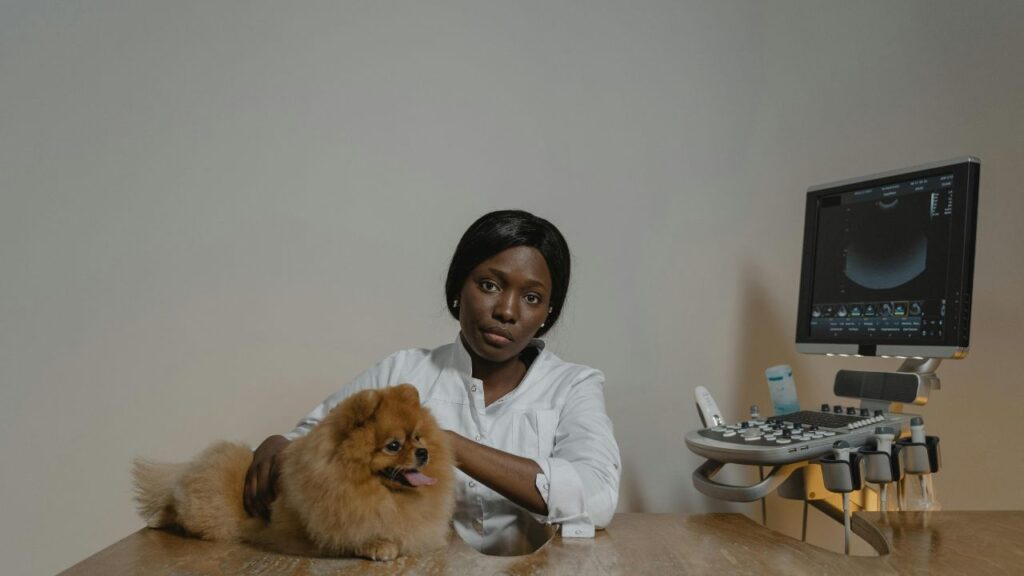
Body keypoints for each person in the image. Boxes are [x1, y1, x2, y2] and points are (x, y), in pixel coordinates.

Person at [243, 210, 621, 555]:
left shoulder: (573, 385)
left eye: (532, 297)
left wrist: (447, 444)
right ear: (459, 287)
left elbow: (598, 496)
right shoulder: (403, 371)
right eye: (489, 285)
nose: (507, 310)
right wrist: (281, 443)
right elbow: (319, 440)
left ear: (547, 312)